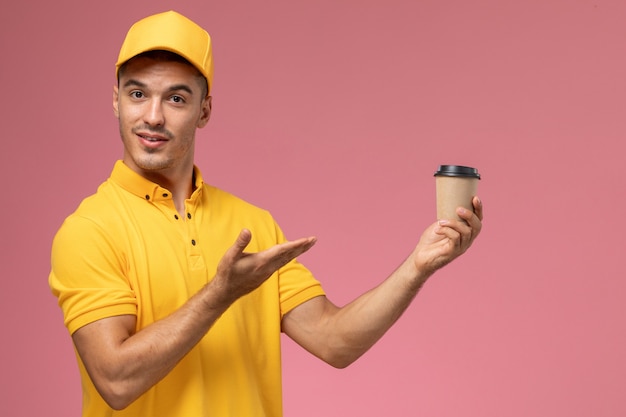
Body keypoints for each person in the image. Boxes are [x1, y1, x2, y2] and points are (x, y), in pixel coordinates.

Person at [49, 10, 483, 417]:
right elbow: (116, 380)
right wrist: (221, 294)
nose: (153, 116)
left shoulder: (252, 224)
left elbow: (334, 342)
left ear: (204, 111)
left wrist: (419, 266)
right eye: (138, 93)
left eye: (176, 99)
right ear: (116, 100)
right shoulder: (89, 230)